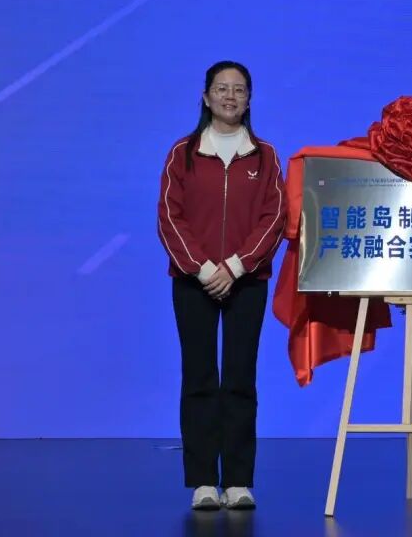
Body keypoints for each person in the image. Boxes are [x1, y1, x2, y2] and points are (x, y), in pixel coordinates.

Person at [157, 61, 287, 510]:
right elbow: (169, 217)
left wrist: (235, 267)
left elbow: (275, 218)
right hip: (192, 282)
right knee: (198, 378)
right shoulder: (183, 154)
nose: (230, 97)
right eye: (221, 89)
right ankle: (202, 483)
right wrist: (202, 269)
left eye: (239, 90)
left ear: (249, 100)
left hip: (246, 282)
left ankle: (237, 481)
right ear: (206, 97)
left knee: (239, 379)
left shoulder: (265, 156)